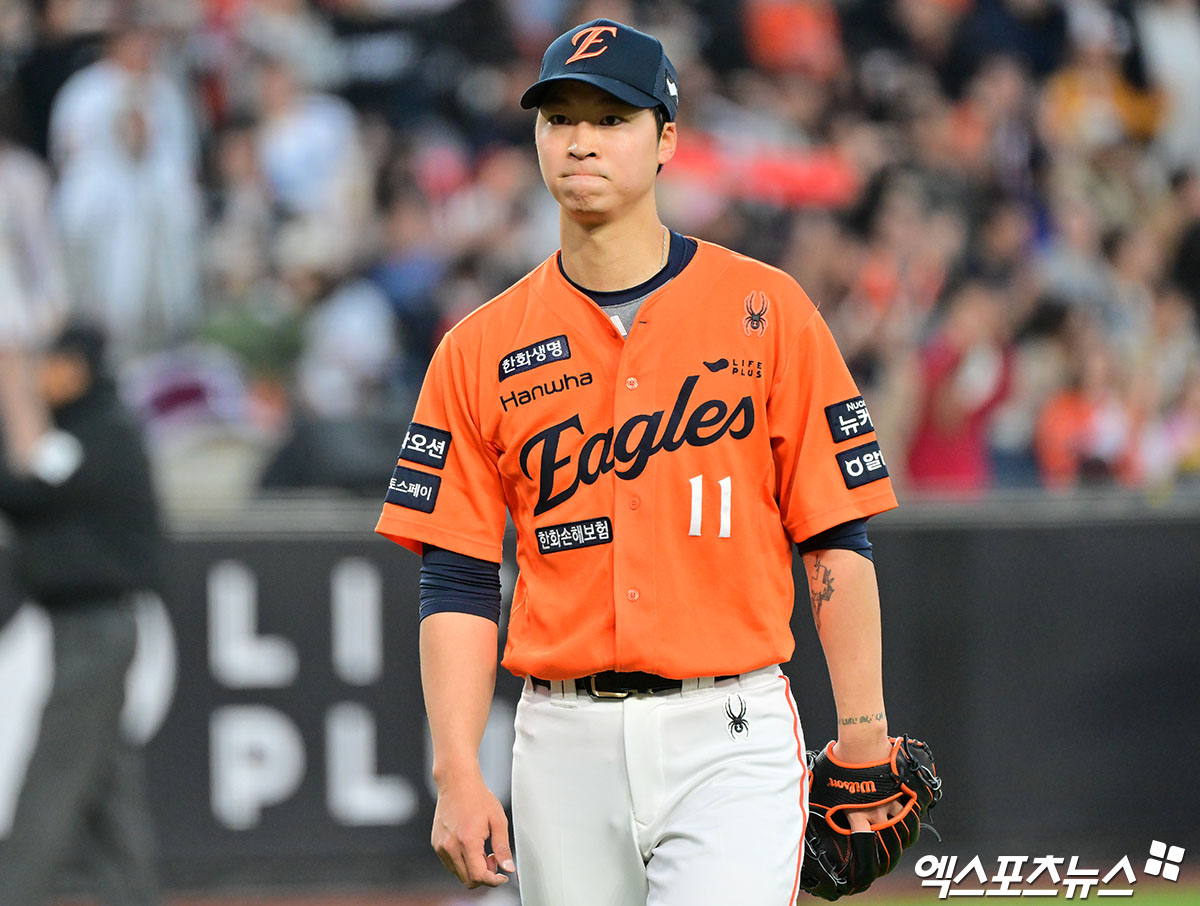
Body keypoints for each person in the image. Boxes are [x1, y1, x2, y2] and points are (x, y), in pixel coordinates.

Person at [375, 18, 901, 905]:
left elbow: (836, 535)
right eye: (558, 117)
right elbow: (458, 578)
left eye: (612, 117)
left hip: (730, 728)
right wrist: (457, 770)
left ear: (666, 140)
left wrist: (865, 732)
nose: (580, 139)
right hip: (559, 740)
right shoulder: (477, 349)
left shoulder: (767, 310)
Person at [0, 322, 164, 906]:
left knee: (55, 773)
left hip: (99, 627)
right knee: (107, 789)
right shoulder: (77, 429)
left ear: (79, 365)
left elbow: (31, 489)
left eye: (52, 360)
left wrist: (15, 398)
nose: (42, 372)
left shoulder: (105, 431)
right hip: (80, 628)